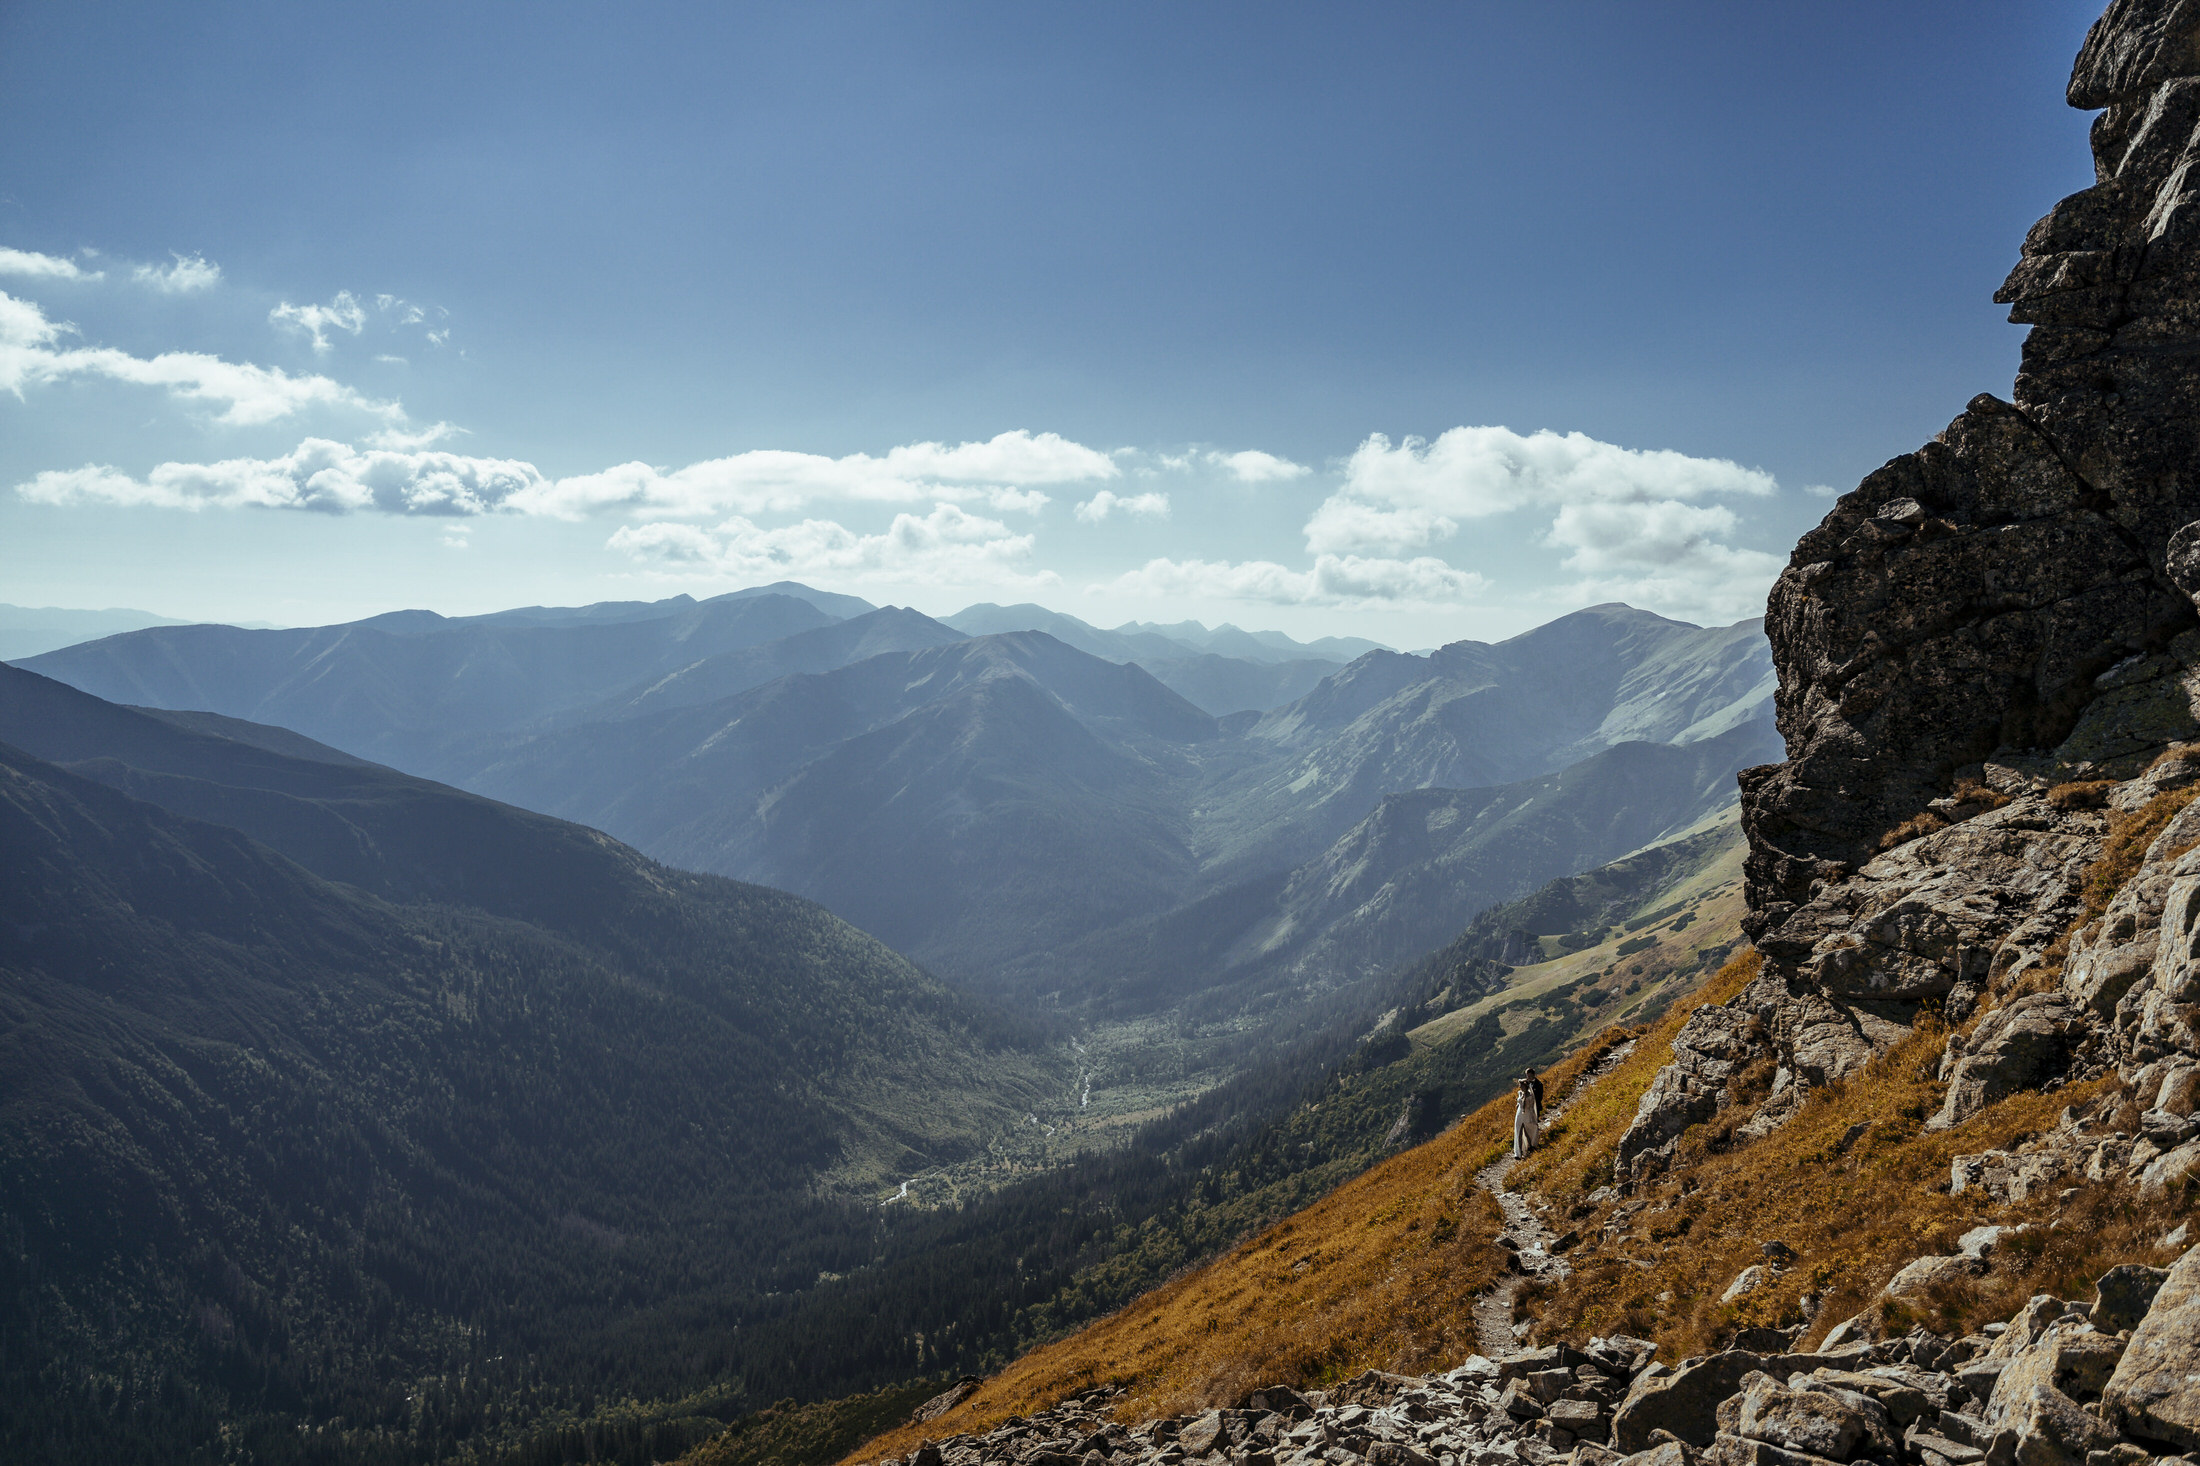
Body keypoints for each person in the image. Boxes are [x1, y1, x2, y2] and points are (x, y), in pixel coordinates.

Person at [1513, 1075, 1541, 1159]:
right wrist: (1518, 1105)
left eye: (1521, 1086)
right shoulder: (1520, 1093)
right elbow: (1519, 1103)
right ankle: (1518, 1152)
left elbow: (1532, 1106)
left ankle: (1531, 1146)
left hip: (1528, 1114)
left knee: (1528, 1131)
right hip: (1519, 1114)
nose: (1520, 1087)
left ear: (1525, 1086)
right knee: (1518, 1132)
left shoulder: (1531, 1096)